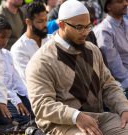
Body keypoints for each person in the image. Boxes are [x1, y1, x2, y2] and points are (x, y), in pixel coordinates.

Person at [25, 0, 128, 135]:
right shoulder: (41, 61)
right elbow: (42, 105)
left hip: (98, 119)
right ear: (62, 25)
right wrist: (76, 116)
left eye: (88, 26)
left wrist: (123, 108)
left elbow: (109, 85)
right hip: (62, 125)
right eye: (79, 27)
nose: (85, 32)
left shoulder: (92, 50)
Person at [0, 15, 34, 124]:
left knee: (34, 112)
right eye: (2, 37)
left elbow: (16, 79)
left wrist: (30, 97)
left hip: (12, 94)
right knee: (23, 119)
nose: (5, 41)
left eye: (8, 38)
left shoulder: (7, 54)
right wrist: (17, 101)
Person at [11, 1, 51, 85]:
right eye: (40, 21)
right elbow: (29, 81)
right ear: (28, 22)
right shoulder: (19, 49)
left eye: (46, 20)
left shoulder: (51, 40)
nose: (45, 25)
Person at [94, 0, 128, 93]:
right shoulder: (104, 31)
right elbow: (118, 72)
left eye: (126, 0)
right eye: (120, 1)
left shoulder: (125, 23)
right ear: (108, 6)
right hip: (121, 86)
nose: (125, 4)